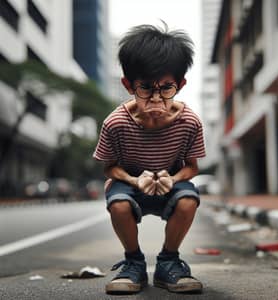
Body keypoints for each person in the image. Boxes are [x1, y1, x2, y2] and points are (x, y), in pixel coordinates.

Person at [93, 23, 206, 294]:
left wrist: (174, 178)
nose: (156, 99)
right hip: (131, 183)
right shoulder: (116, 123)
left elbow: (192, 167)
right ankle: (133, 263)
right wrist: (133, 180)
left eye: (166, 88)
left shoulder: (189, 122)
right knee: (118, 204)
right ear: (128, 84)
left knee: (189, 199)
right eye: (145, 88)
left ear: (180, 85)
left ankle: (169, 261)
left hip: (171, 181)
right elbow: (109, 168)